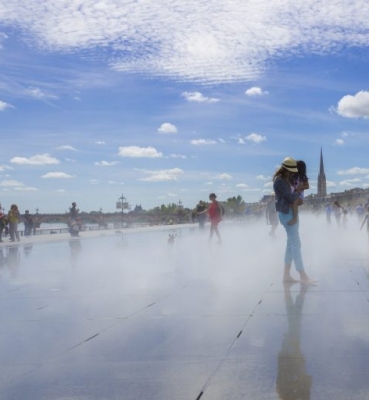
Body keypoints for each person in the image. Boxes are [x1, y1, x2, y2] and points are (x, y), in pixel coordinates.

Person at [273, 157, 313, 283]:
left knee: (291, 245)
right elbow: (291, 198)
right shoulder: (279, 181)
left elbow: (295, 196)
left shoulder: (286, 179)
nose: (292, 173)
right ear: (285, 169)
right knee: (296, 244)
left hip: (290, 212)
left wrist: (297, 193)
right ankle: (302, 275)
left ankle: (286, 275)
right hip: (286, 214)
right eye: (290, 171)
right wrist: (298, 190)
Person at [288, 160, 309, 226]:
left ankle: (295, 218)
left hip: (299, 196)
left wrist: (300, 187)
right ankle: (293, 214)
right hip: (293, 194)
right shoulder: (293, 176)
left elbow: (307, 186)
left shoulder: (303, 177)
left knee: (295, 202)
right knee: (291, 204)